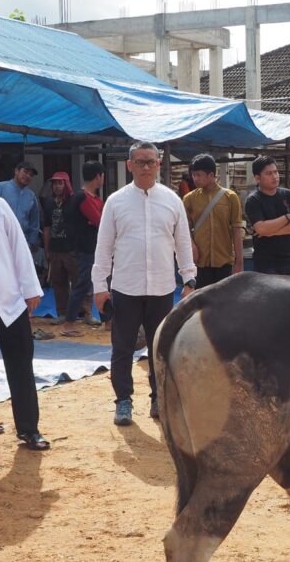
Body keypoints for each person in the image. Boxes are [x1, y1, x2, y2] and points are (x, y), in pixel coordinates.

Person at [92, 142, 197, 425]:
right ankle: (123, 401)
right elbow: (104, 247)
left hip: (162, 288)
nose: (146, 167)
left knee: (160, 348)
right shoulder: (115, 202)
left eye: (150, 162)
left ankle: (158, 399)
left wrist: (189, 278)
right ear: (129, 165)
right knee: (123, 348)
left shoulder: (172, 200)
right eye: (140, 162)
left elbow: (183, 243)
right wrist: (100, 286)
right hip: (125, 287)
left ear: (159, 164)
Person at [0, 196, 50, 463]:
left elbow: (18, 248)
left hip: (9, 303)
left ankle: (28, 429)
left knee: (21, 367)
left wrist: (30, 289)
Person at [182, 153, 244, 288]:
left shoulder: (230, 197)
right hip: (200, 262)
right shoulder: (189, 199)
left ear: (211, 175)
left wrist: (239, 263)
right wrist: (191, 245)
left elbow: (236, 231)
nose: (195, 179)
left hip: (224, 262)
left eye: (198, 175)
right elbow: (185, 229)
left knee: (224, 304)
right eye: (193, 175)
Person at [61, 161, 105, 337]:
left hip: (94, 247)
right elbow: (100, 221)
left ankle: (108, 320)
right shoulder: (82, 197)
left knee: (103, 283)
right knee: (83, 284)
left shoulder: (92, 198)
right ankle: (68, 324)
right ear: (98, 176)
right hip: (86, 248)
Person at [244, 156, 290, 275]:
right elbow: (262, 228)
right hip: (266, 264)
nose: (275, 176)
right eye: (269, 173)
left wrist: (273, 232)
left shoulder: (288, 195)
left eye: (276, 172)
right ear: (257, 178)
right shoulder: (253, 200)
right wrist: (287, 217)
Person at [42, 172, 77, 323]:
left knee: (78, 281)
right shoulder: (49, 203)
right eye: (54, 183)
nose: (57, 186)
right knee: (58, 283)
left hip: (72, 249)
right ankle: (62, 313)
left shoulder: (74, 201)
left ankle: (84, 313)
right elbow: (47, 227)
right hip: (55, 250)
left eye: (60, 183)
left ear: (66, 184)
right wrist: (47, 249)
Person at [0, 160, 41, 251]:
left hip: (21, 242)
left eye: (31, 175)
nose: (28, 176)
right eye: (25, 172)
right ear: (16, 171)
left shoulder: (31, 196)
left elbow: (34, 223)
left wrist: (31, 243)